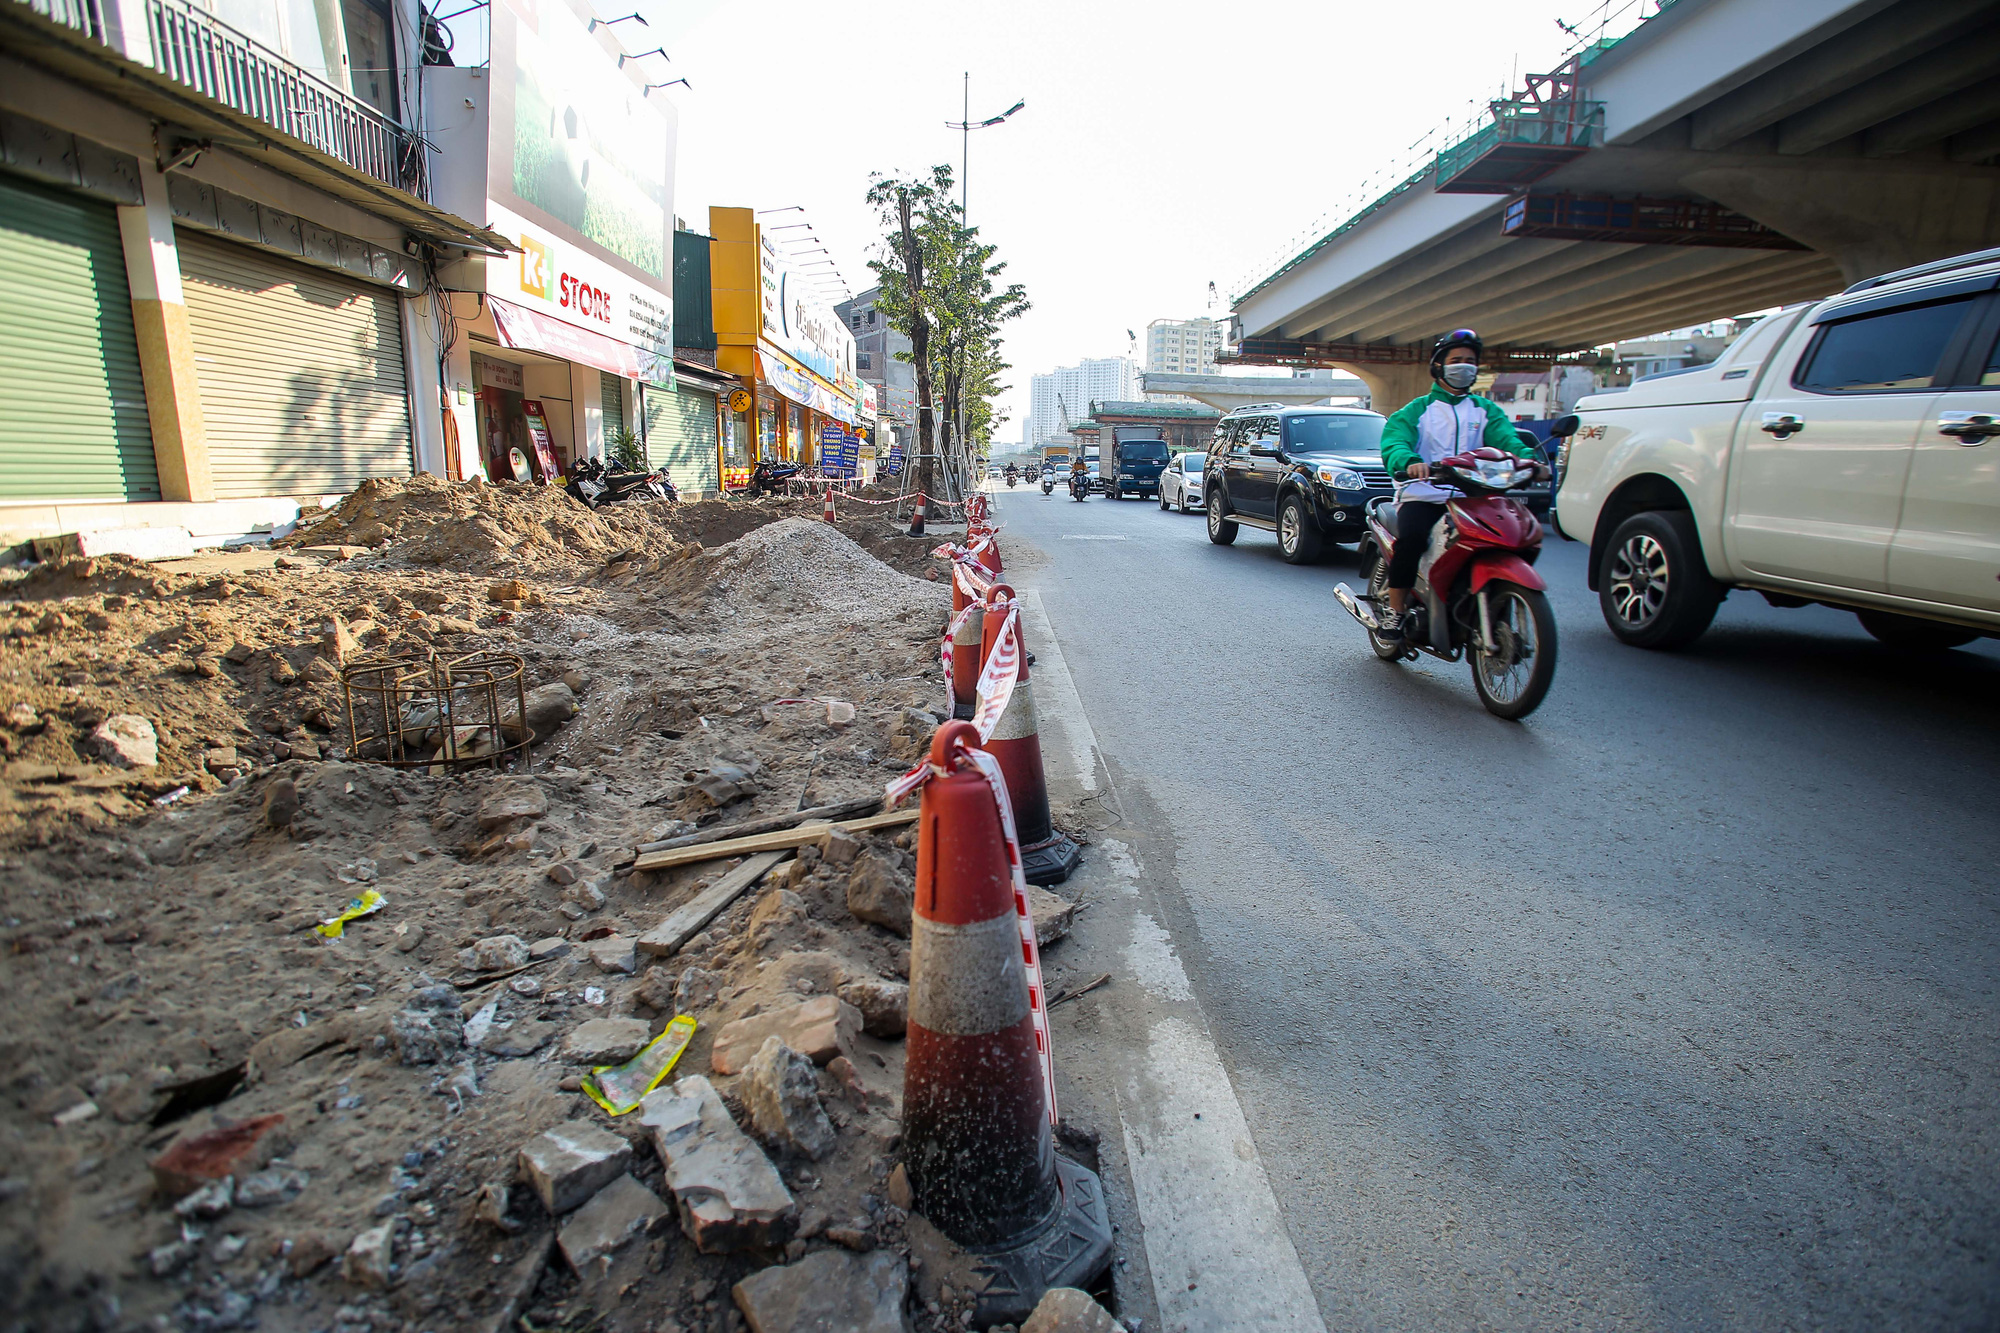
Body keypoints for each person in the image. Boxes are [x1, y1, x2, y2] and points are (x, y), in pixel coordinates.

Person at [1375, 329, 1539, 645]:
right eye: (1456, 360)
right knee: (1411, 540)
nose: (1463, 366)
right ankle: (1396, 612)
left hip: (1475, 498)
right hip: (1425, 495)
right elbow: (1394, 441)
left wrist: (1531, 461)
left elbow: (1508, 441)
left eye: (1469, 361)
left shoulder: (1485, 410)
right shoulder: (1417, 410)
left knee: (1510, 537)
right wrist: (1409, 460)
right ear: (1439, 366)